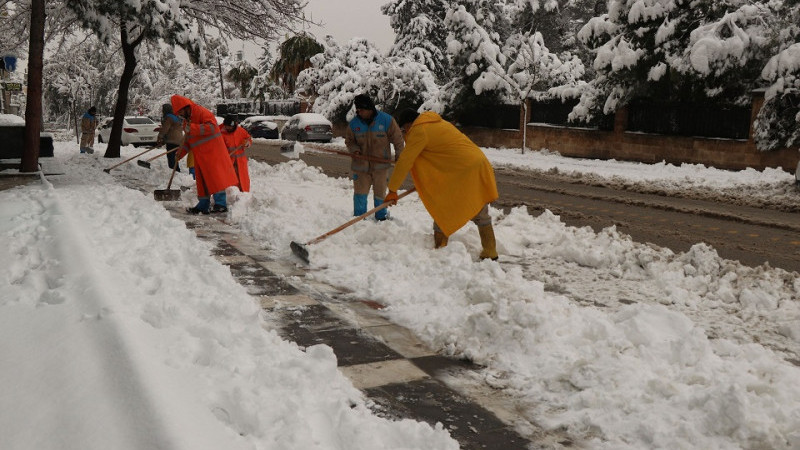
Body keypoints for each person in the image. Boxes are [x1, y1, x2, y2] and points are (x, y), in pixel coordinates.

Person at [384, 108, 499, 260]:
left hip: (463, 170)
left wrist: (392, 189)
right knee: (478, 206)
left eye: (404, 128)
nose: (405, 132)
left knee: (443, 206)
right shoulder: (436, 122)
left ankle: (440, 248)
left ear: (409, 124)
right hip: (476, 163)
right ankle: (490, 251)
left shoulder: (419, 130)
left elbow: (405, 161)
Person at [170, 95, 238, 215]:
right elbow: (188, 140)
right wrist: (180, 153)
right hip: (200, 155)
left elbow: (212, 127)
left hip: (213, 152)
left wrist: (193, 128)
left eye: (180, 111)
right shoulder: (187, 121)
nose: (180, 114)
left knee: (216, 178)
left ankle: (220, 204)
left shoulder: (201, 112)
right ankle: (203, 205)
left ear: (185, 107)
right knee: (202, 182)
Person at [344, 94, 405, 221]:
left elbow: (398, 140)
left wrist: (400, 156)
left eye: (361, 110)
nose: (359, 113)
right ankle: (359, 219)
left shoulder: (386, 120)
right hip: (360, 167)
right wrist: (355, 150)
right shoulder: (354, 124)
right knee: (360, 194)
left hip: (380, 167)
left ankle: (381, 217)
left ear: (369, 108)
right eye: (357, 110)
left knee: (380, 194)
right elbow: (349, 141)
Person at [220, 116, 253, 192]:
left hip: (241, 161)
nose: (228, 129)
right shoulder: (222, 134)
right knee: (231, 180)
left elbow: (248, 139)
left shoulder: (241, 131)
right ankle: (233, 195)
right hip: (229, 161)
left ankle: (244, 194)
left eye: (229, 127)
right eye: (226, 127)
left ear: (234, 125)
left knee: (243, 178)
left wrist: (247, 143)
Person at [156, 103, 184, 172]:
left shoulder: (169, 118)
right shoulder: (176, 117)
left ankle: (174, 171)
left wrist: (159, 138)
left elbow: (165, 129)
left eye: (163, 110)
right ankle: (176, 170)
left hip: (172, 141)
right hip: (179, 140)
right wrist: (163, 141)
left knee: (171, 157)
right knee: (174, 157)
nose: (162, 111)